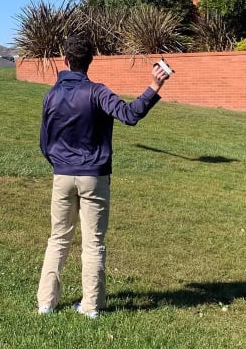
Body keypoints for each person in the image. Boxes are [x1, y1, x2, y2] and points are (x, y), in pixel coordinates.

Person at [36, 33, 170, 318]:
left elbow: (44, 143)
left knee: (58, 238)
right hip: (93, 176)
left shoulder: (52, 95)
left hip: (62, 175)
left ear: (66, 60)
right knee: (93, 242)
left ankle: (46, 303)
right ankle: (91, 306)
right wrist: (154, 86)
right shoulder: (97, 92)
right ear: (89, 62)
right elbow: (130, 114)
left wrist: (59, 162)